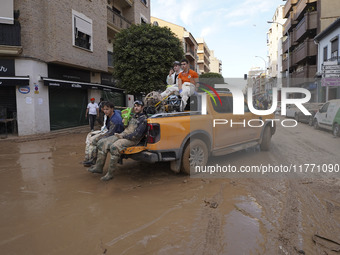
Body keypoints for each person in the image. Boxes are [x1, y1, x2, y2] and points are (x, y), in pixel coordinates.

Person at [88, 100, 148, 181]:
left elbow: (136, 135)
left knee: (114, 147)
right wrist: (125, 123)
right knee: (102, 142)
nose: (136, 108)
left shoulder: (143, 119)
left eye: (138, 106)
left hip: (132, 139)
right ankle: (99, 167)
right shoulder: (134, 116)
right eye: (135, 106)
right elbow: (127, 127)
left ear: (142, 107)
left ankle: (110, 174)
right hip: (123, 134)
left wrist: (123, 136)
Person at [83, 101, 124, 166]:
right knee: (91, 137)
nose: (105, 111)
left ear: (112, 109)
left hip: (116, 135)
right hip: (109, 131)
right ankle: (89, 158)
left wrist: (100, 137)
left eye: (107, 109)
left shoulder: (115, 120)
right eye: (104, 109)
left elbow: (111, 133)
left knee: (97, 141)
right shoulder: (112, 113)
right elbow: (119, 111)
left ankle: (95, 162)